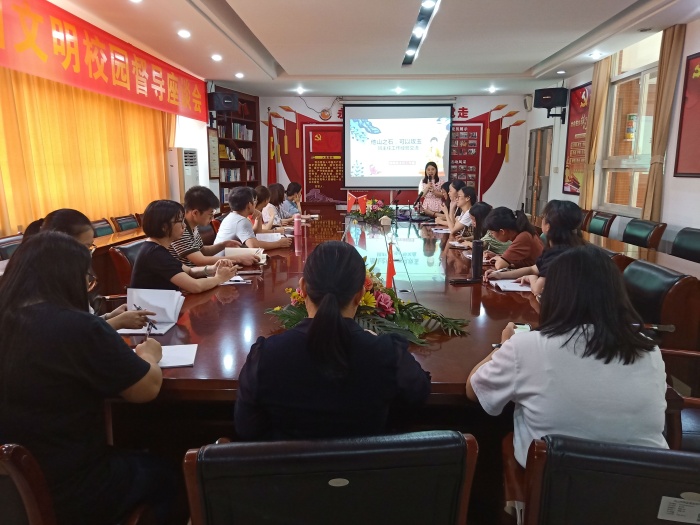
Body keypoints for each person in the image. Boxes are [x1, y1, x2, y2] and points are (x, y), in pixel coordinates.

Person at [0, 232, 177, 525]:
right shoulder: (76, 327)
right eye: (87, 278)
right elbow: (146, 388)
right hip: (69, 488)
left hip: (10, 492)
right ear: (69, 278)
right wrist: (149, 355)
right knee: (167, 473)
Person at [467, 244, 668, 468]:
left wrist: (504, 346)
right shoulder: (648, 349)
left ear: (554, 293)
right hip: (646, 480)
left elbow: (474, 390)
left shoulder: (526, 347)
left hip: (554, 482)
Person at [235, 241, 431, 439]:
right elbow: (419, 394)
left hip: (290, 460)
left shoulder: (266, 356)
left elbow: (246, 429)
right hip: (366, 460)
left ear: (302, 288)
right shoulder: (387, 353)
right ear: (360, 295)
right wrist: (377, 343)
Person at [23, 209, 153, 330]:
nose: (88, 253)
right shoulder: (48, 284)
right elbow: (72, 334)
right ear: (62, 243)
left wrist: (109, 316)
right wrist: (117, 322)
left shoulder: (71, 272)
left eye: (90, 247)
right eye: (86, 246)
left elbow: (84, 322)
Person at [131, 200, 237, 292]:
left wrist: (213, 268)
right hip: (151, 308)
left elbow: (190, 271)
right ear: (164, 227)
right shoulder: (155, 253)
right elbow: (196, 287)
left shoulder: (158, 247)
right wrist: (219, 278)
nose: (184, 225)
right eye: (180, 221)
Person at [483, 200, 584, 295]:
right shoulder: (571, 247)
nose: (541, 219)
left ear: (548, 226)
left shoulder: (557, 253)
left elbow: (537, 289)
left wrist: (532, 278)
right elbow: (532, 269)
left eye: (543, 217)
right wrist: (500, 275)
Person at [168, 186, 259, 267]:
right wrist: (238, 259)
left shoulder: (193, 226)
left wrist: (223, 245)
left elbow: (202, 251)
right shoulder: (180, 229)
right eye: (210, 214)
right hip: (188, 277)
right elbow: (201, 261)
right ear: (195, 213)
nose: (212, 218)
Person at [214, 187, 292, 252]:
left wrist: (259, 217)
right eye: (254, 201)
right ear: (249, 205)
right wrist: (279, 243)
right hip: (226, 260)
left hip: (228, 257)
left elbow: (256, 233)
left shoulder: (233, 216)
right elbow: (253, 246)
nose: (255, 203)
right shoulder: (241, 221)